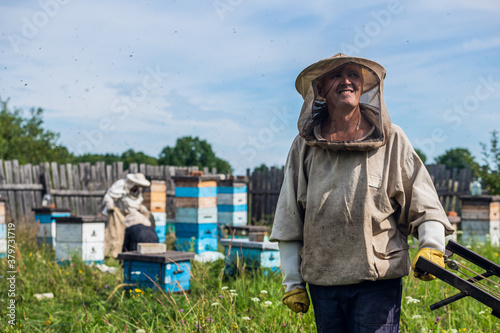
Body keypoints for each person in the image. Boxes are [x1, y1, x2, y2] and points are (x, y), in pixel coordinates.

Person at [269, 53, 454, 333]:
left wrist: (431, 246)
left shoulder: (391, 139)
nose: (346, 81)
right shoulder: (304, 146)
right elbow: (290, 217)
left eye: (353, 75)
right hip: (324, 283)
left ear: (364, 87)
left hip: (377, 283)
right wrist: (293, 281)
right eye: (336, 75)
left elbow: (423, 200)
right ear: (319, 89)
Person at [102, 173, 151, 257]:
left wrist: (141, 207)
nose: (138, 187)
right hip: (117, 215)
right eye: (137, 185)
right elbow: (108, 196)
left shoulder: (137, 191)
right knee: (115, 234)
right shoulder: (120, 185)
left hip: (129, 216)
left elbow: (136, 202)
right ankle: (112, 254)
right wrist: (110, 205)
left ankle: (127, 253)